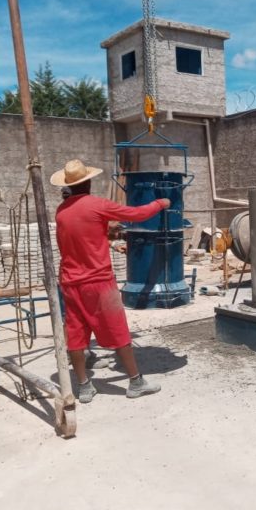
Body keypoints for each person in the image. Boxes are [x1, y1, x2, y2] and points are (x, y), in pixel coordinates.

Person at [50, 158, 171, 402]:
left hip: (70, 283)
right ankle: (136, 382)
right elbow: (137, 214)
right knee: (118, 330)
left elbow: (85, 233)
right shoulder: (96, 204)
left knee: (75, 334)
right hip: (98, 281)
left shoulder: (61, 212)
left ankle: (84, 386)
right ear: (88, 183)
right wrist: (161, 202)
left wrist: (107, 231)